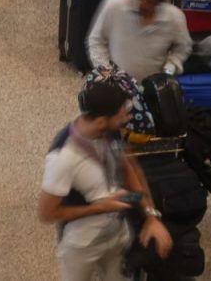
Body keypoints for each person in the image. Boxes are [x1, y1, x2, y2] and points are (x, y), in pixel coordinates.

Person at [39, 79, 174, 281]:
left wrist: (151, 216)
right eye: (122, 113)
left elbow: (130, 168)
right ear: (102, 120)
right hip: (81, 244)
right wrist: (100, 207)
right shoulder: (63, 158)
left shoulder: (110, 130)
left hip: (118, 234)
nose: (127, 116)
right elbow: (47, 212)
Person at [85, 0, 190, 79]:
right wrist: (107, 73)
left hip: (151, 88)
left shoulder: (174, 18)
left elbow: (183, 48)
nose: (136, 2)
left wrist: (170, 67)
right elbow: (96, 40)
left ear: (157, 2)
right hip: (116, 86)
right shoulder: (113, 5)